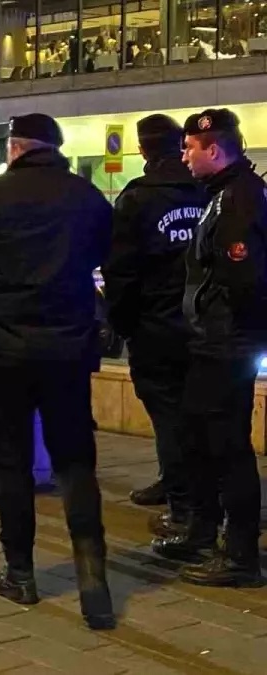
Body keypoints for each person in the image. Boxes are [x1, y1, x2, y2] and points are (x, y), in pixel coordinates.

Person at [0, 113, 115, 630]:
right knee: (76, 461)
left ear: (14, 148)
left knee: (11, 463)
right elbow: (112, 248)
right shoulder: (84, 195)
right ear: (54, 149)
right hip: (69, 347)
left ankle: (20, 573)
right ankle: (92, 578)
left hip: (8, 346)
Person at [152, 109, 267, 587]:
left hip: (228, 346)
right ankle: (201, 530)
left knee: (227, 447)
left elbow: (244, 281)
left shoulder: (238, 199)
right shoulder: (221, 194)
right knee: (198, 438)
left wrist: (228, 334)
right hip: (213, 343)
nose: (183, 155)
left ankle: (240, 555)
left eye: (189, 148)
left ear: (213, 150)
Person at [100, 115, 207, 537]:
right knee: (196, 413)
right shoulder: (207, 190)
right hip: (203, 326)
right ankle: (183, 488)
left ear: (142, 150)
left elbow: (120, 273)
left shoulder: (137, 199)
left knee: (168, 416)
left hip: (156, 328)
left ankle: (184, 511)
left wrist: (123, 325)